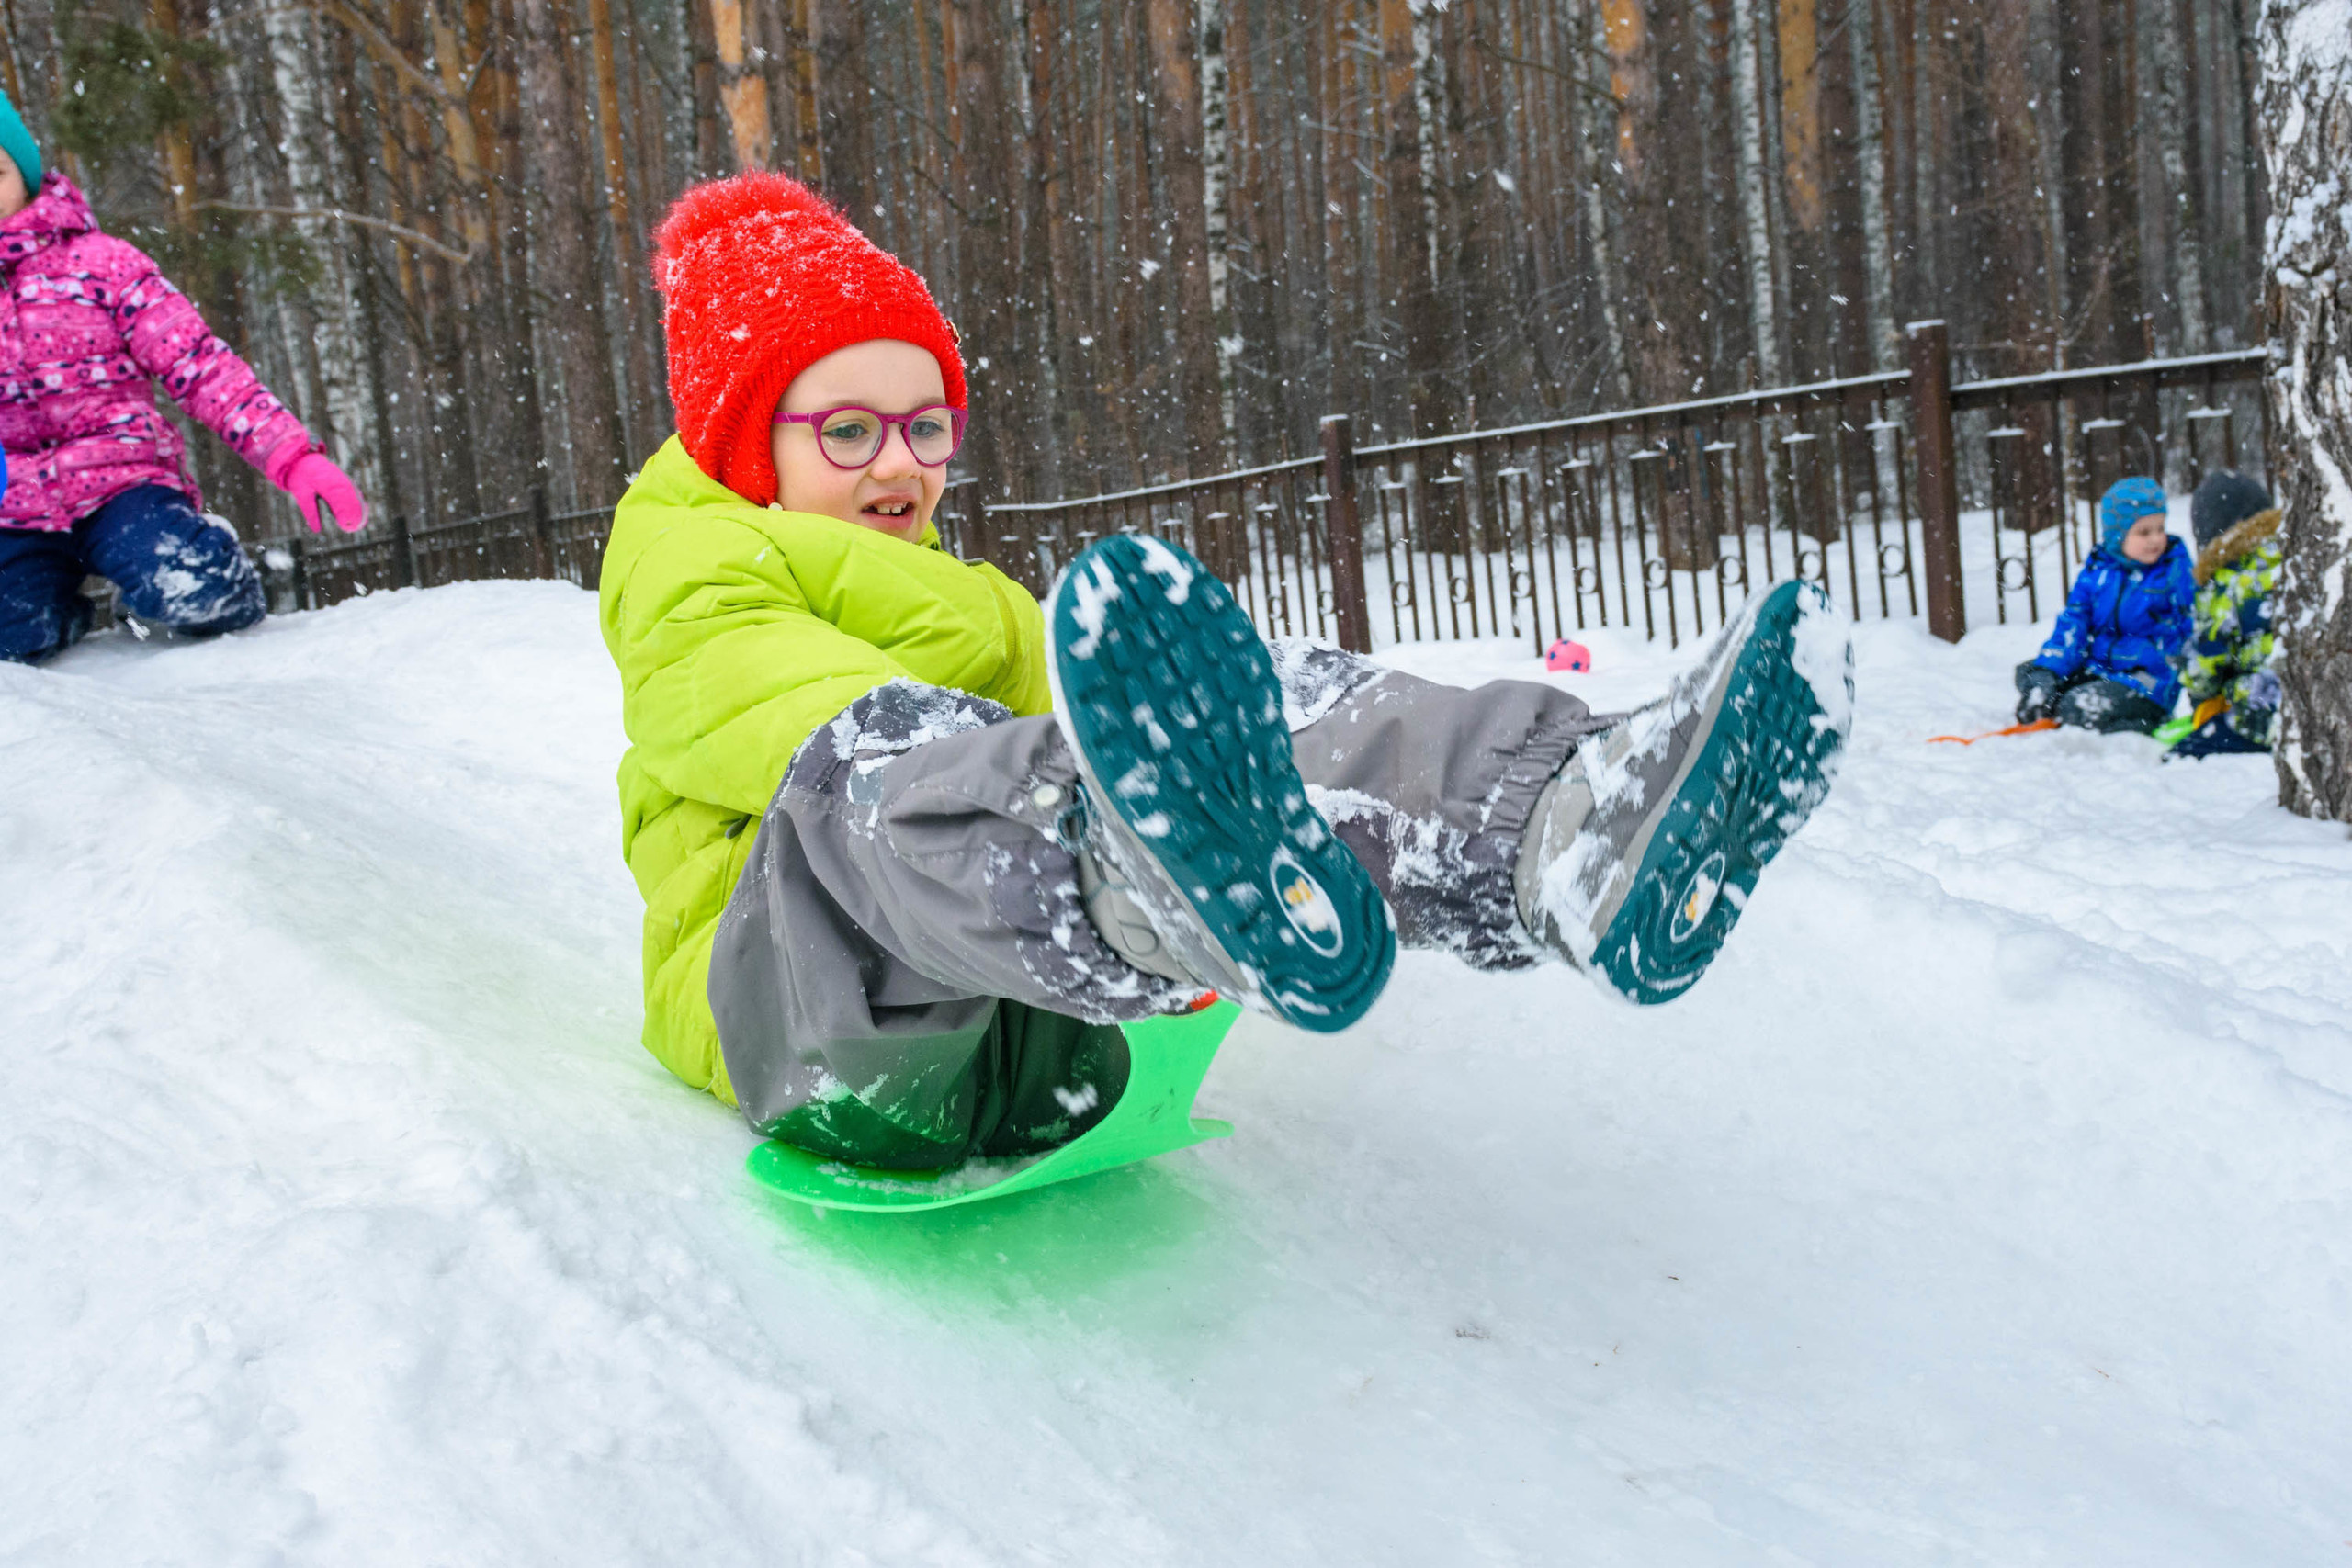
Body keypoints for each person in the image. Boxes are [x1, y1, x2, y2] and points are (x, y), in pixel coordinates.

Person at [599, 172, 1852, 1170]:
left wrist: (1189, 742)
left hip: (1042, 1028)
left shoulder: (968, 596)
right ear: (742, 442)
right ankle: (1129, 872)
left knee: (1247, 701)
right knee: (867, 766)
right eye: (847, 430)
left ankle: (1560, 829)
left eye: (927, 426)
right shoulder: (688, 568)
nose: (899, 464)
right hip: (817, 1023)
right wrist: (1085, 796)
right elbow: (793, 712)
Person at [0, 87, 366, 664]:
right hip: (13, 507)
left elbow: (200, 365)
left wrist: (291, 455)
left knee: (198, 588)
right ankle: (55, 613)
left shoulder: (103, 265)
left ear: (25, 174)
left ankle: (170, 582)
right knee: (10, 634)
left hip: (122, 484)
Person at [2014, 477, 2196, 735]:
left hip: (2146, 680)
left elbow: (2190, 629)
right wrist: (2048, 672)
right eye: (2144, 532)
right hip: (2100, 670)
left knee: (2078, 707)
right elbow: (2074, 623)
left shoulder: (2173, 573)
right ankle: (2051, 704)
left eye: (2160, 529)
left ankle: (2145, 722)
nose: (2156, 539)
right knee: (2032, 674)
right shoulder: (2099, 570)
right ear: (2117, 536)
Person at [2168, 469, 2282, 760]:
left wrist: (2201, 696)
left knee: (2179, 759)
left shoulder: (2225, 578)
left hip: (2259, 715)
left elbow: (2207, 658)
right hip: (2318, 707)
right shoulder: (2293, 557)